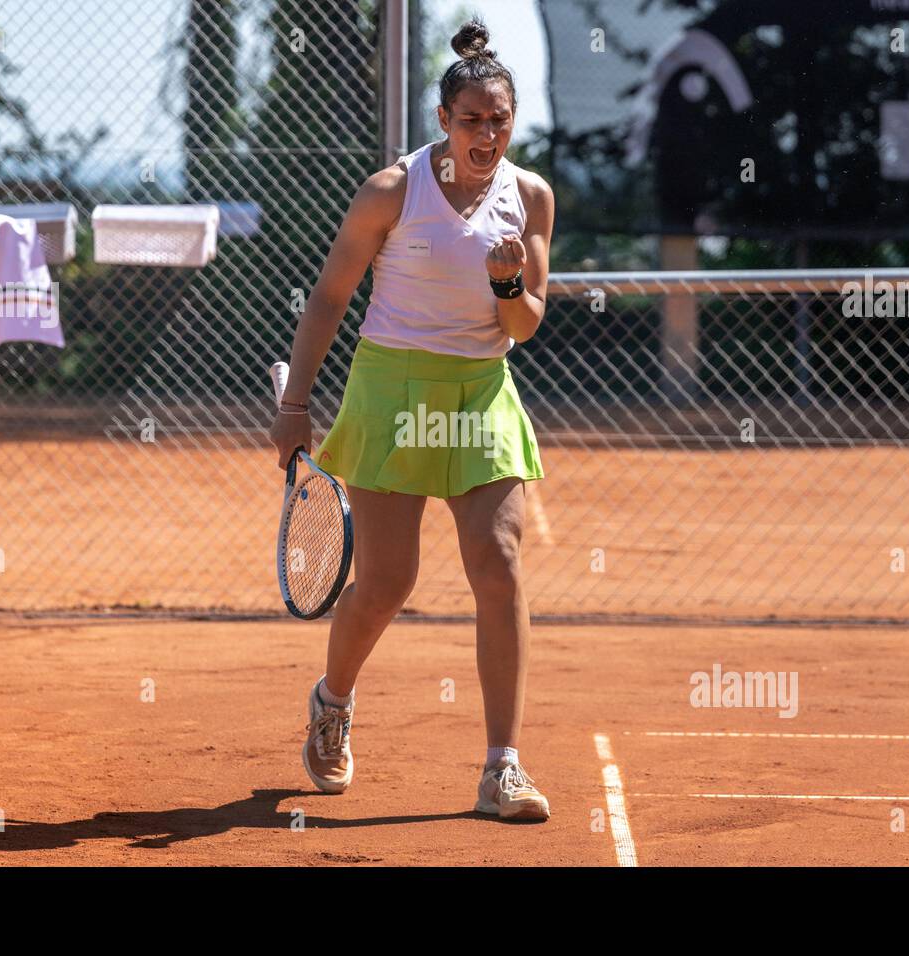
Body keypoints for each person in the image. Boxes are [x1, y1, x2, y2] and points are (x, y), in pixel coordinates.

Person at [268, 16, 555, 821]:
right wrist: (297, 405)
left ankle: (503, 767)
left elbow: (526, 324)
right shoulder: (392, 191)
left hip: (480, 394)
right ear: (444, 122)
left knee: (498, 562)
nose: (488, 135)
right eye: (472, 121)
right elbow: (330, 297)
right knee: (389, 581)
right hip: (392, 391)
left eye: (500, 121)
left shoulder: (530, 198)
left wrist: (507, 287)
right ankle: (332, 703)